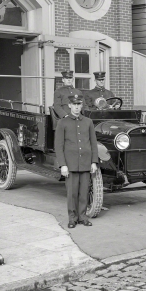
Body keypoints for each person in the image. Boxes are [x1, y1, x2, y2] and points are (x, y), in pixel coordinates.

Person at [55, 94, 99, 229]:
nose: (76, 107)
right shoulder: (62, 123)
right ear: (69, 105)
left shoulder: (88, 122)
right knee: (72, 193)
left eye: (79, 104)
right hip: (71, 164)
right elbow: (59, 145)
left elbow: (93, 143)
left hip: (86, 163)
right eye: (74, 104)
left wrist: (93, 162)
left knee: (84, 192)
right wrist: (63, 165)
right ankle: (72, 218)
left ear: (82, 106)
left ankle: (83, 217)